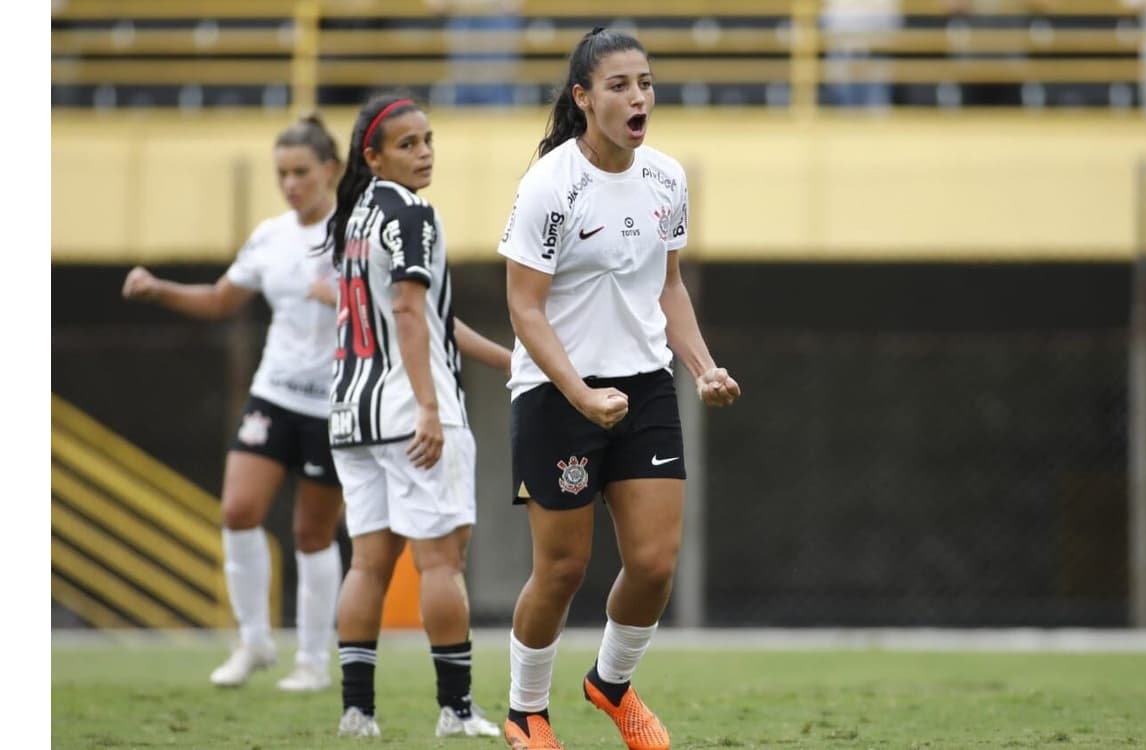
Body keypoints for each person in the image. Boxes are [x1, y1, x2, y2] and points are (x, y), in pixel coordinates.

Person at [496, 28, 742, 750]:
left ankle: (611, 684)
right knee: (564, 568)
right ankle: (526, 712)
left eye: (645, 83)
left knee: (654, 564)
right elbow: (524, 307)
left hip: (645, 388)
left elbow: (668, 288)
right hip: (553, 392)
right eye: (618, 85)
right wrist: (579, 393)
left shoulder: (667, 178)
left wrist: (703, 368)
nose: (638, 97)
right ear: (582, 99)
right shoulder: (550, 185)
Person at [121, 114, 346, 693]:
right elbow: (223, 299)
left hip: (335, 403)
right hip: (273, 393)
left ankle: (314, 661)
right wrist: (160, 289)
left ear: (331, 170)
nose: (291, 184)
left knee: (312, 535)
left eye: (301, 171)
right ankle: (254, 642)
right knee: (237, 511)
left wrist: (346, 297)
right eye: (282, 173)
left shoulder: (357, 233)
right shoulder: (271, 235)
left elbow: (401, 310)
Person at [325, 93, 510, 740]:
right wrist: (430, 408)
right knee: (440, 565)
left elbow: (427, 317)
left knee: (367, 565)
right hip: (412, 413)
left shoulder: (353, 219)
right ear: (372, 156)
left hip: (354, 414)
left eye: (428, 139)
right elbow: (408, 312)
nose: (424, 151)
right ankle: (456, 711)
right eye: (408, 144)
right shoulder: (412, 213)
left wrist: (506, 361)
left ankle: (357, 711)